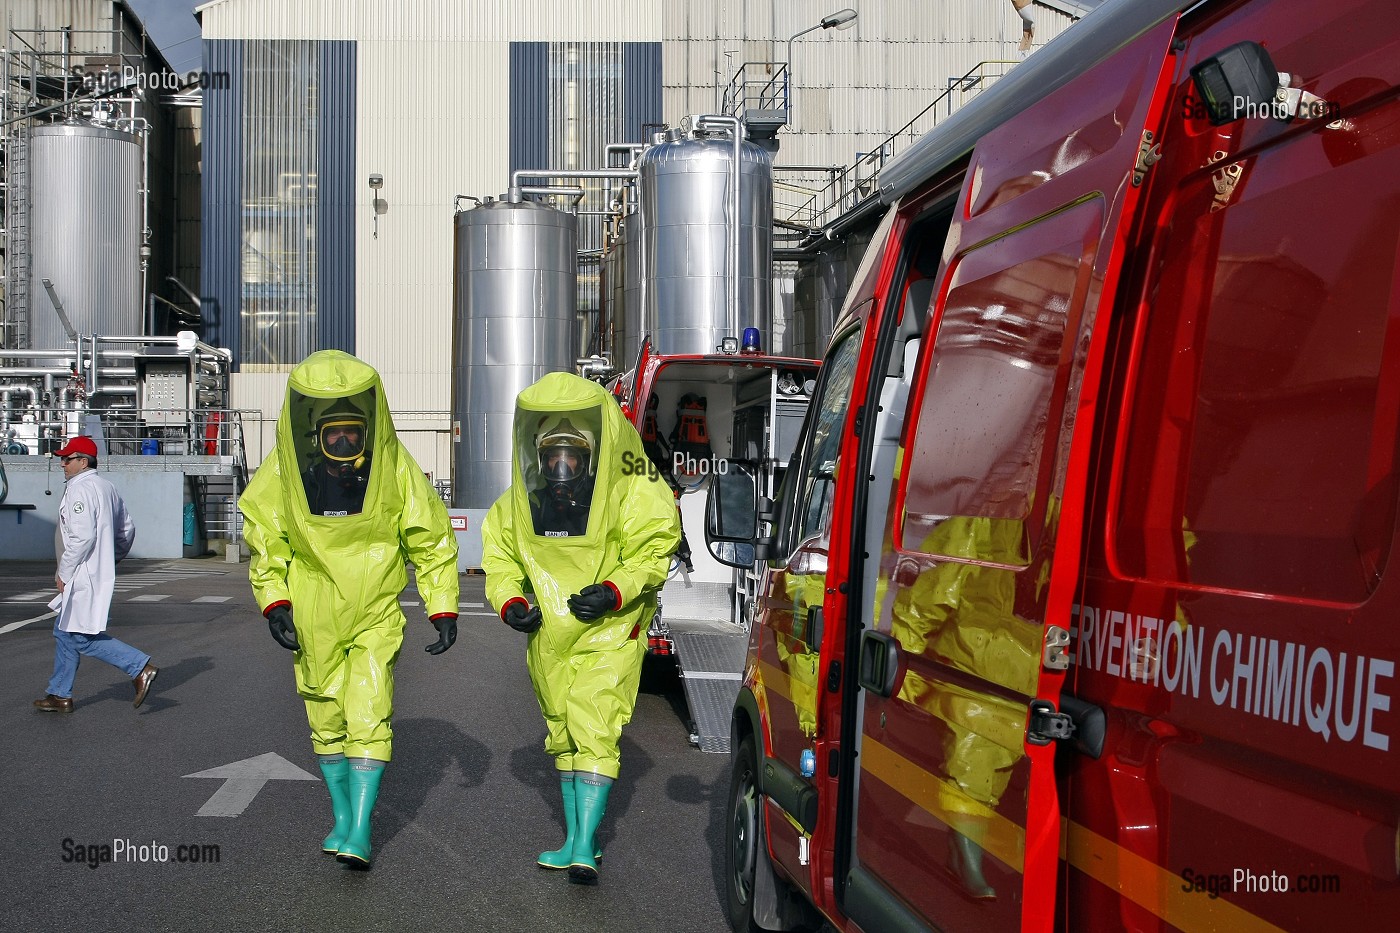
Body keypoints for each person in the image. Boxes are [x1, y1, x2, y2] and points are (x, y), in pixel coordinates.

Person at [238, 350, 459, 869]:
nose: (342, 444)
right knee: (325, 714)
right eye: (333, 433)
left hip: (374, 611)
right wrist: (274, 602)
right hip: (313, 613)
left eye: (352, 433)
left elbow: (430, 536)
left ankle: (359, 827)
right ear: (316, 434)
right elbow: (265, 536)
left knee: (368, 705)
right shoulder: (288, 471)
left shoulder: (393, 468)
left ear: (368, 431)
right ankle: (343, 816)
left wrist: (443, 605)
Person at [482, 372, 680, 884]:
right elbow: (500, 557)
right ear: (539, 456)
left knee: (593, 728)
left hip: (609, 633)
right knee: (564, 733)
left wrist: (614, 589)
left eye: (572, 455)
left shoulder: (628, 489)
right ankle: (574, 839)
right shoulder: (522, 503)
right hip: (550, 637)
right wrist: (509, 601)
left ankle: (586, 845)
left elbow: (655, 548)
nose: (561, 466)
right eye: (552, 455)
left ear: (592, 456)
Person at [33, 435, 158, 714]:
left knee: (81, 636)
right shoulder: (106, 487)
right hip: (94, 571)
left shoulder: (80, 489)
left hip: (81, 574)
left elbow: (81, 537)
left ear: (83, 461)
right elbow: (127, 529)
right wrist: (111, 558)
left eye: (67, 458)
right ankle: (58, 693)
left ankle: (139, 667)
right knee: (64, 631)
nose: (62, 464)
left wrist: (64, 572)